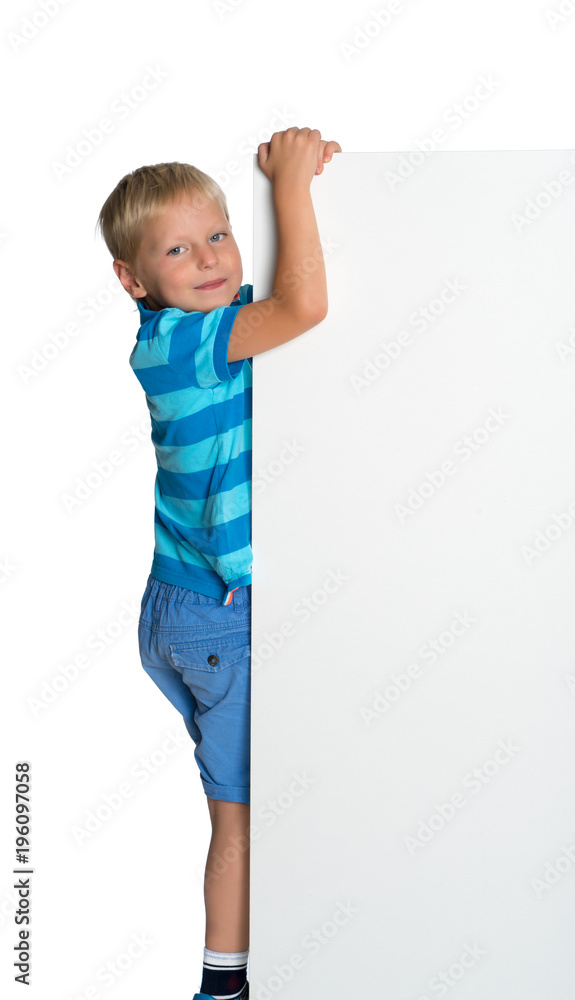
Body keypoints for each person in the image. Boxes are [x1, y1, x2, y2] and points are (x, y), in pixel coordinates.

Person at [96, 127, 342, 1000]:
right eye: (175, 248)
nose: (207, 260)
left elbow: (272, 295)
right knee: (240, 817)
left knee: (255, 799)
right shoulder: (183, 341)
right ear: (133, 280)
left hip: (187, 609)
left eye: (218, 234)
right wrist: (292, 185)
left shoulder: (195, 322)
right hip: (212, 619)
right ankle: (221, 988)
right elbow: (302, 307)